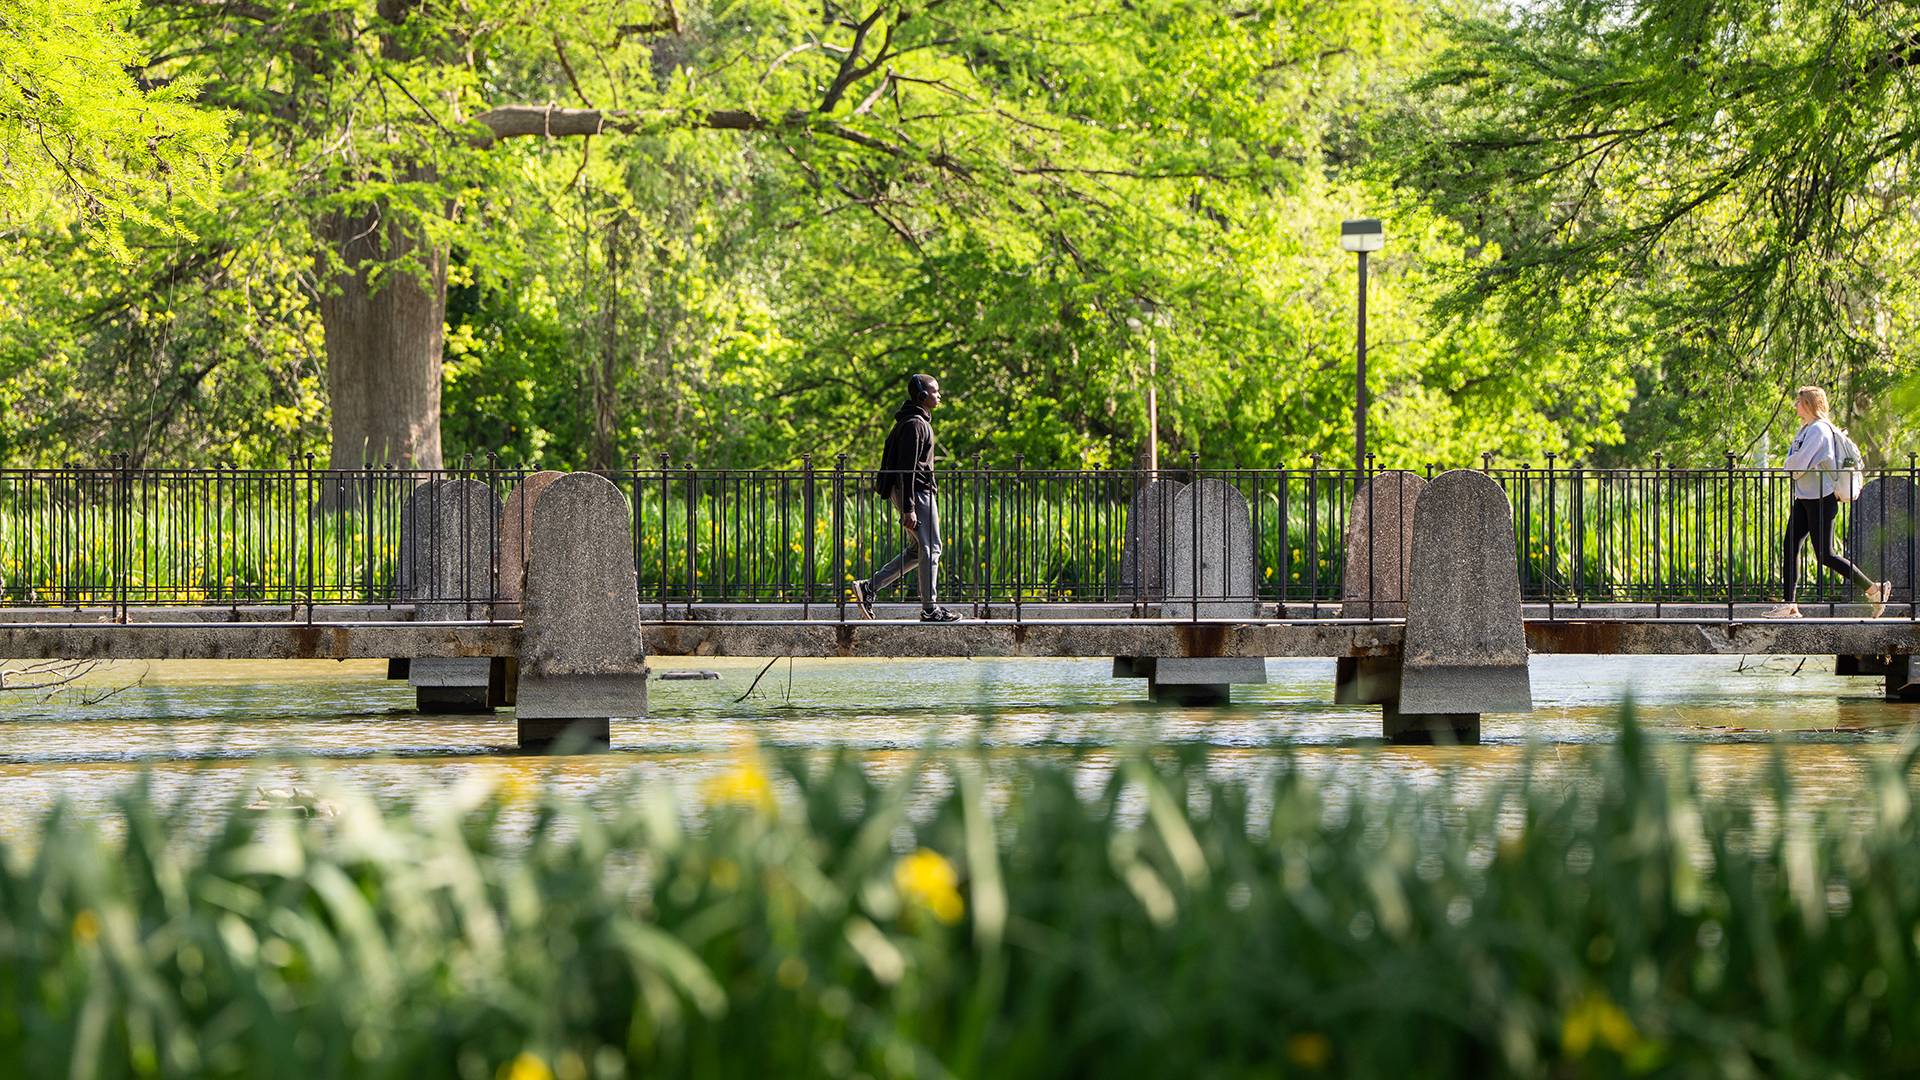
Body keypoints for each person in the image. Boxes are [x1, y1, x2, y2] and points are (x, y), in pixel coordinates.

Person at [1764, 385, 1889, 618]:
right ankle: (1790, 605)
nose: (1795, 406)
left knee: (1826, 555)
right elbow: (1792, 464)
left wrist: (1793, 465)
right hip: (1805, 497)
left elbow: (1796, 464)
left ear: (1810, 404)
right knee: (1791, 546)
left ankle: (1874, 590)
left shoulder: (1819, 431)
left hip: (1821, 499)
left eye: (1799, 402)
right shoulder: (1806, 430)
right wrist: (1793, 465)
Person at [851, 374, 960, 622]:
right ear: (922, 396)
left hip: (915, 492)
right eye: (935, 391)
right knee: (932, 548)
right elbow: (906, 469)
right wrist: (908, 508)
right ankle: (930, 609)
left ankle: (869, 587)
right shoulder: (914, 425)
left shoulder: (914, 422)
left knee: (916, 551)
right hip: (917, 492)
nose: (939, 395)